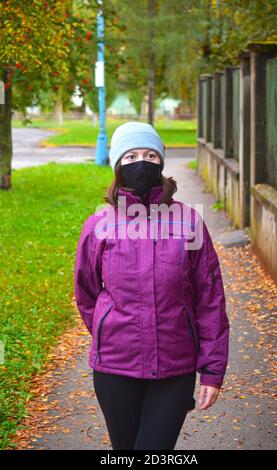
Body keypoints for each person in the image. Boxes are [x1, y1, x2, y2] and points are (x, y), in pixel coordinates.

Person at [74, 121, 230, 450]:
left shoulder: (188, 221)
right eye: (130, 156)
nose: (141, 163)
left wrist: (213, 370)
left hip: (175, 367)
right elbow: (86, 293)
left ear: (161, 163)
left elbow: (210, 299)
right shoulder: (99, 224)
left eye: (149, 155)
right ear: (117, 166)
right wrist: (108, 329)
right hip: (116, 367)